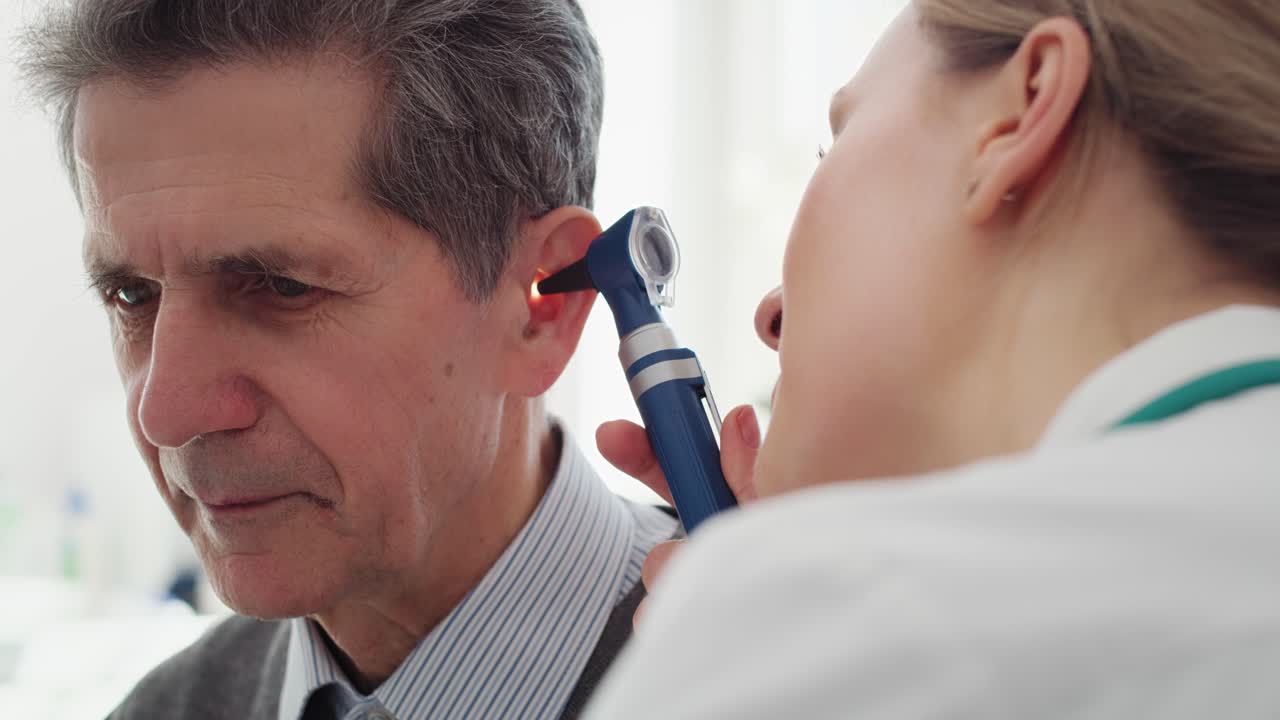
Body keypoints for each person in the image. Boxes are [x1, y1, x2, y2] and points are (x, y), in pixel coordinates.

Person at [587, 1, 1280, 717]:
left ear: (1023, 108)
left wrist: (783, 622)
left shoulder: (840, 633)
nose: (771, 314)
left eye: (834, 146)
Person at [20, 1, 678, 718]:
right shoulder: (167, 709)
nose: (165, 413)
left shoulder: (785, 679)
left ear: (537, 311)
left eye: (281, 287)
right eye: (130, 295)